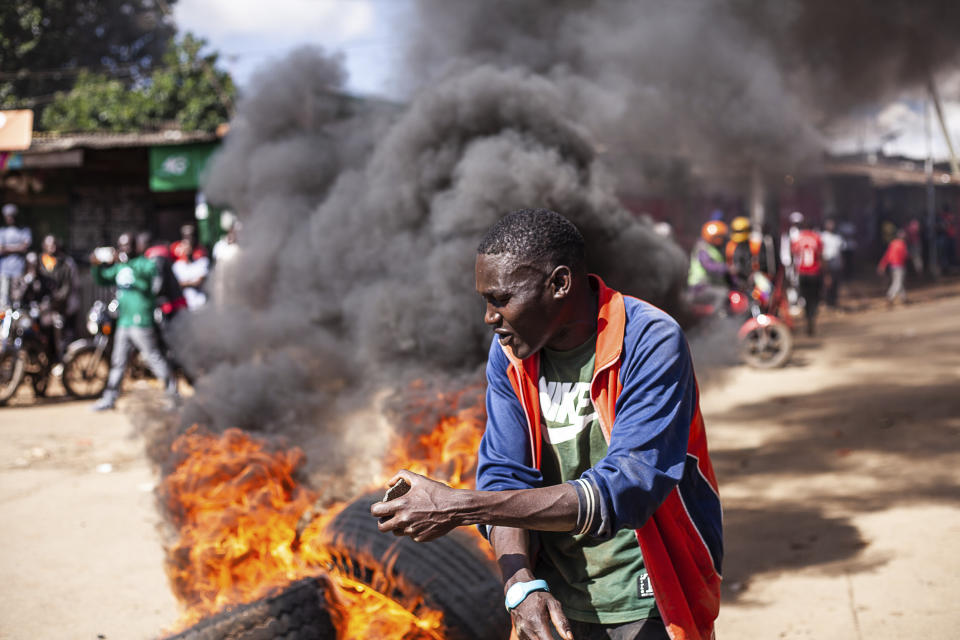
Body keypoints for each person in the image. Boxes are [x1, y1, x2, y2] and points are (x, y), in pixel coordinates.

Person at [372, 209, 722, 640]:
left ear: (559, 284)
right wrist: (521, 586)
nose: (489, 317)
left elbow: (624, 490)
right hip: (558, 600)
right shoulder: (510, 354)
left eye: (500, 299)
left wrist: (457, 506)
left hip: (648, 598)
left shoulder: (649, 340)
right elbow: (505, 475)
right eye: (485, 300)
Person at [90, 232, 179, 411]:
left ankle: (173, 395)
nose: (125, 249)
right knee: (118, 362)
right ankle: (110, 398)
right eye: (122, 246)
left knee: (153, 358)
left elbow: (149, 285)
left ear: (136, 246)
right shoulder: (120, 268)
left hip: (141, 321)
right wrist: (96, 264)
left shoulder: (146, 264)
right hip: (124, 322)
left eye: (128, 245)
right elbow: (102, 278)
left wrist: (127, 264)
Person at [790, 216, 824, 336]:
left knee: (805, 298)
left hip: (802, 273)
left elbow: (793, 256)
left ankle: (808, 318)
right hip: (814, 273)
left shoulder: (798, 239)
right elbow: (820, 257)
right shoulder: (817, 238)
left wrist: (794, 272)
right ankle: (812, 319)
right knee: (814, 298)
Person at [686, 220, 729, 311]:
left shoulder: (713, 248)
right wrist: (726, 268)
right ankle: (716, 318)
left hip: (708, 285)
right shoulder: (703, 247)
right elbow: (708, 265)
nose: (722, 240)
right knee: (723, 294)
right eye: (720, 237)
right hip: (700, 286)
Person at [0, 203, 32, 307]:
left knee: (17, 300)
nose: (10, 218)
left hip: (18, 269)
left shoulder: (24, 230)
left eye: (12, 215)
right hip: (4, 270)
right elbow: (1, 250)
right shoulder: (2, 231)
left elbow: (25, 247)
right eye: (8, 216)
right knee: (4, 300)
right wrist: (17, 247)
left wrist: (7, 248)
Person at [171, 234, 210, 310]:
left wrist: (184, 283)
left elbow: (199, 281)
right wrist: (191, 282)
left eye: (188, 246)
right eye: (183, 246)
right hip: (185, 305)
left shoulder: (201, 262)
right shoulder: (177, 266)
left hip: (201, 301)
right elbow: (176, 284)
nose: (186, 249)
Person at [878, 229, 909, 306]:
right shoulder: (902, 244)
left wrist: (882, 265)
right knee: (898, 282)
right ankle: (890, 296)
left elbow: (887, 255)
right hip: (899, 266)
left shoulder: (893, 243)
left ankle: (904, 298)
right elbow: (905, 255)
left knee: (898, 282)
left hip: (892, 266)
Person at [820, 219, 844, 308]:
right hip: (826, 262)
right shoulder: (822, 236)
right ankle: (827, 301)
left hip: (836, 263)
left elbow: (840, 252)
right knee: (827, 283)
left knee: (836, 283)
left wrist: (841, 263)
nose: (831, 226)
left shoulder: (837, 238)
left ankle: (834, 301)